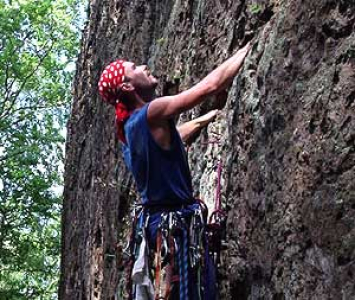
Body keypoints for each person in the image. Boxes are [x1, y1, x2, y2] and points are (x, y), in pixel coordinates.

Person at [98, 42, 251, 300]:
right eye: (134, 67)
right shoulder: (152, 112)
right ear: (127, 86)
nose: (144, 66)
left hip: (157, 227)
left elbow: (173, 137)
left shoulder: (129, 132)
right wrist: (247, 49)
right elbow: (209, 87)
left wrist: (204, 120)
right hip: (176, 229)